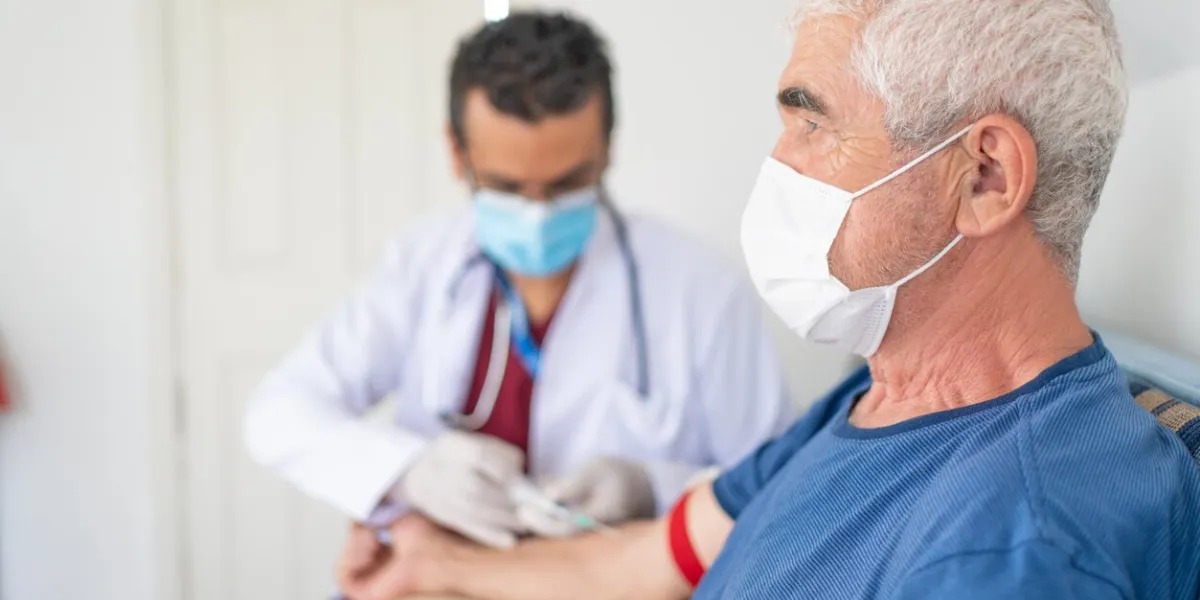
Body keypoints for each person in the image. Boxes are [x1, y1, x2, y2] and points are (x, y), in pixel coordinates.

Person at [333, 0, 1200, 599]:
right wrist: (430, 563)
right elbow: (656, 561)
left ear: (984, 177)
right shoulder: (879, 397)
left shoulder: (1014, 545)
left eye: (813, 120)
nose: (777, 162)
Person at [243, 11, 795, 551]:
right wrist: (409, 471)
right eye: (507, 186)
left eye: (567, 182)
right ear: (457, 154)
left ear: (607, 149)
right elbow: (280, 412)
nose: (538, 213)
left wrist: (650, 486)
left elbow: (776, 485)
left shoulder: (699, 290)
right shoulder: (423, 263)